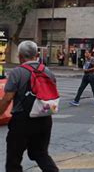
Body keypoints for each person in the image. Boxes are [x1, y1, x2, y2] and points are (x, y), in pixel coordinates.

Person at [0, 41, 59, 172]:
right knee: (40, 154)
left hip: (22, 121)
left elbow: (7, 98)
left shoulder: (17, 72)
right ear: (36, 55)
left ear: (20, 56)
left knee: (13, 160)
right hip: (45, 118)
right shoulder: (48, 71)